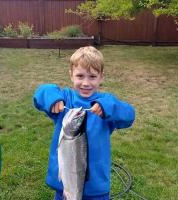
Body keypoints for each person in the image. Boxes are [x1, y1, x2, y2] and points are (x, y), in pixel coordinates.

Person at [33, 46, 135, 200]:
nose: (86, 83)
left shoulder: (105, 104)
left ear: (101, 77)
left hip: (96, 188)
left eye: (92, 76)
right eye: (80, 76)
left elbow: (129, 115)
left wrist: (109, 107)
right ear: (71, 75)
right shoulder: (65, 98)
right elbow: (41, 92)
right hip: (65, 186)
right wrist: (52, 98)